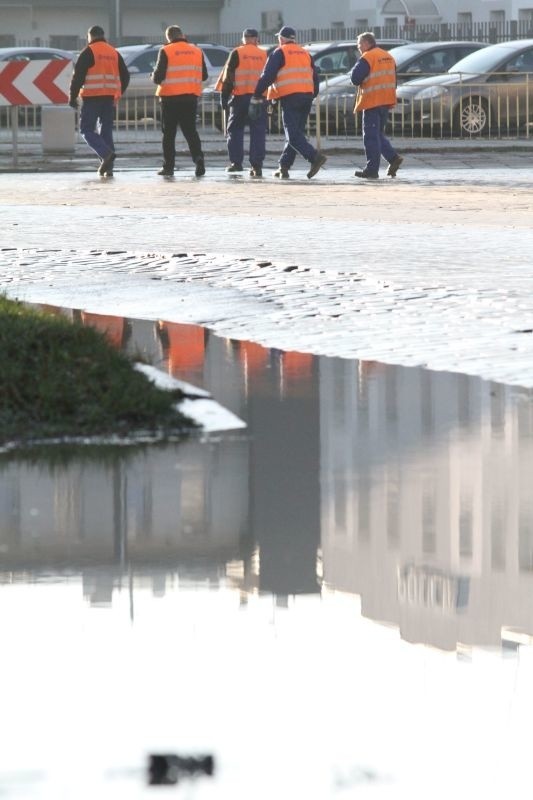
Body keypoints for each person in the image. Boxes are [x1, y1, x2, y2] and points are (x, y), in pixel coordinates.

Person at [252, 26, 326, 179]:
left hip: (291, 97)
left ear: (281, 39)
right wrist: (313, 94)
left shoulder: (279, 52)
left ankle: (314, 157)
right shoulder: (305, 53)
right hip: (306, 96)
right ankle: (284, 166)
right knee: (295, 134)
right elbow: (315, 77)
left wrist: (258, 92)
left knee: (292, 135)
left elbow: (268, 75)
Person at [69, 25, 130, 177]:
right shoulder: (114, 52)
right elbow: (126, 76)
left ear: (90, 36)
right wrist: (118, 92)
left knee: (86, 130)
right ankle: (108, 167)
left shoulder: (88, 52)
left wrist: (72, 96)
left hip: (92, 97)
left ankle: (106, 155)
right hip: (109, 98)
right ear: (103, 35)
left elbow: (78, 77)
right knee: (106, 132)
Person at [151, 25, 208, 177]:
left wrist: (153, 75)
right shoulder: (197, 51)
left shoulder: (166, 51)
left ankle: (168, 167)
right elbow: (204, 76)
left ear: (168, 37)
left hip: (170, 98)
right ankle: (198, 159)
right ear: (183, 35)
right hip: (190, 97)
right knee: (191, 132)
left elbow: (158, 77)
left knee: (169, 134)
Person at [350, 31, 403, 180]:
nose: (358, 48)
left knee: (371, 137)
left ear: (366, 43)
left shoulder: (368, 57)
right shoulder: (388, 56)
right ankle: (393, 158)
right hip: (386, 100)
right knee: (378, 134)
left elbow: (355, 78)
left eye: (359, 44)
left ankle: (372, 170)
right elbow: (394, 80)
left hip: (372, 101)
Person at [215, 28, 268, 177]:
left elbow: (228, 77)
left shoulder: (237, 52)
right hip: (258, 98)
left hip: (241, 98)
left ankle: (236, 163)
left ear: (243, 39)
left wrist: (224, 97)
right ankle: (257, 166)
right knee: (257, 131)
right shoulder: (264, 54)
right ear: (257, 39)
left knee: (235, 130)